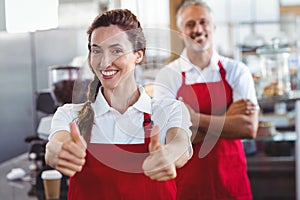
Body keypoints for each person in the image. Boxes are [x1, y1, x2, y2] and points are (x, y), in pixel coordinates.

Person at [45, 9, 192, 200]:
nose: (105, 62)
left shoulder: (169, 110)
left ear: (138, 55)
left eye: (116, 51)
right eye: (96, 50)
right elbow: (54, 146)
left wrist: (169, 154)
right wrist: (59, 151)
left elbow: (180, 145)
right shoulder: (70, 115)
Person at [153, 1, 259, 199]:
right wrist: (226, 120)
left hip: (231, 184)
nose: (198, 29)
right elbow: (170, 139)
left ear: (213, 27)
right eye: (190, 24)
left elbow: (248, 128)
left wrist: (193, 120)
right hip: (187, 186)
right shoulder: (168, 76)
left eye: (203, 22)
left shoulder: (237, 71)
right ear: (180, 31)